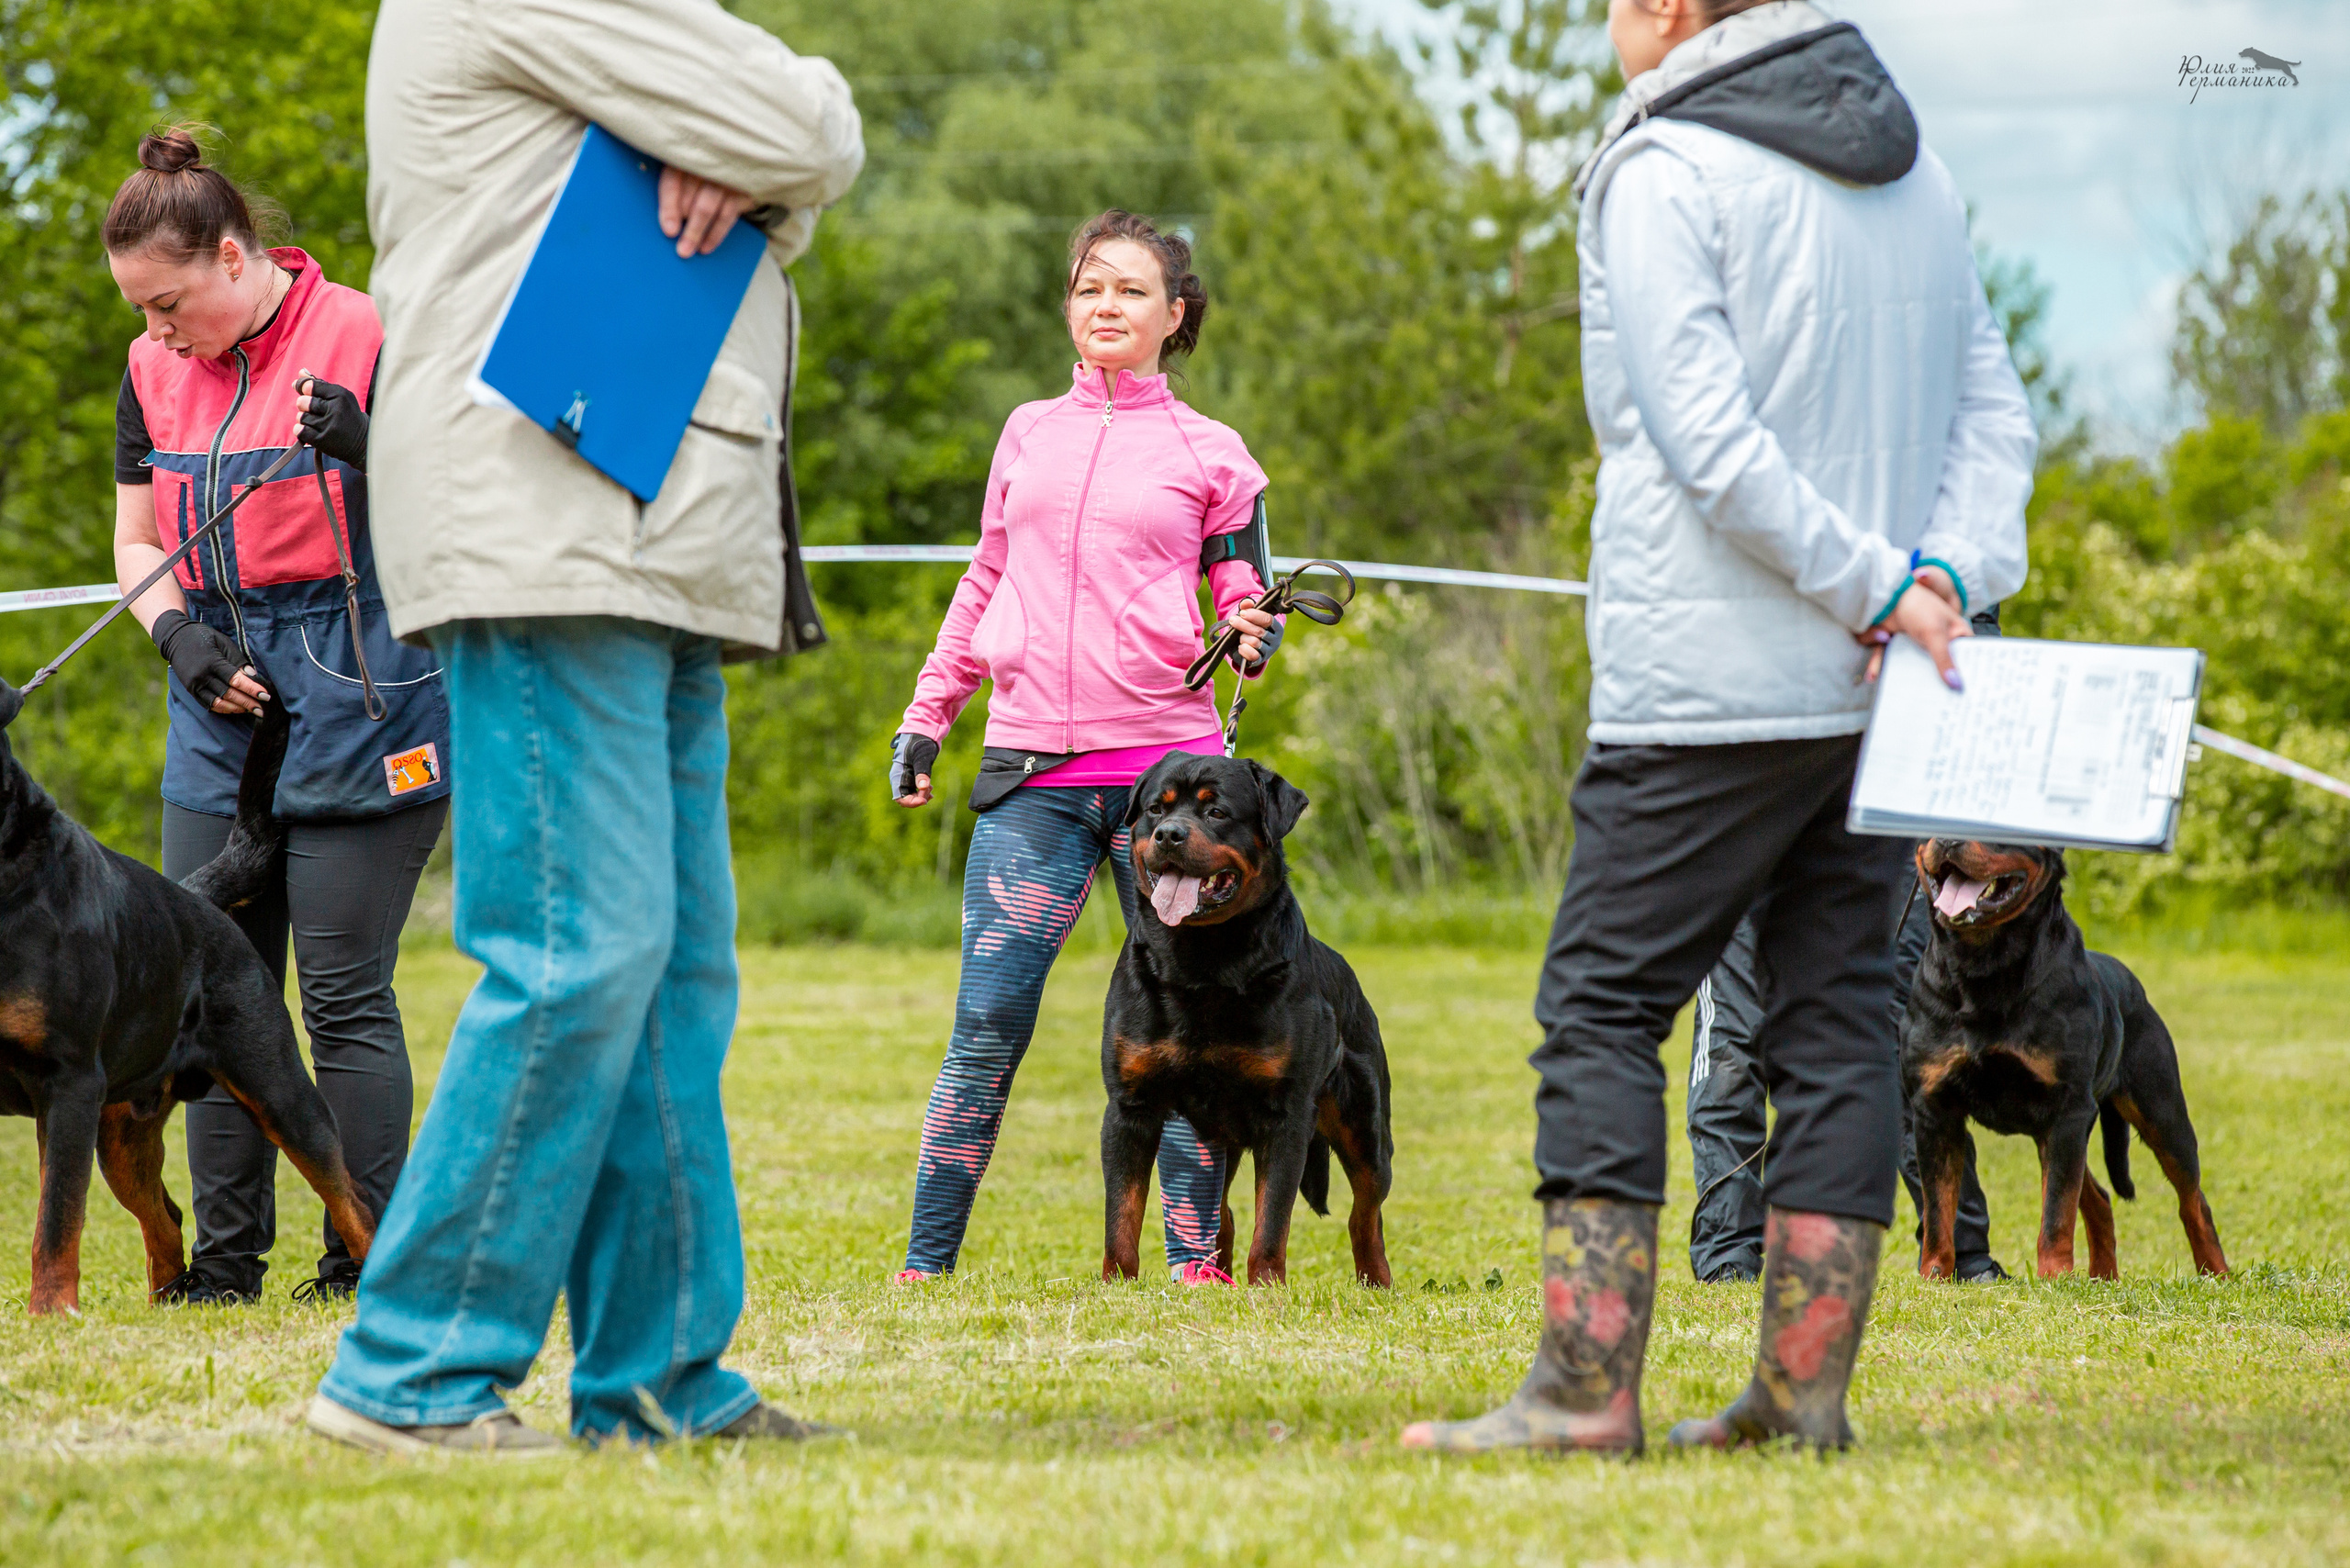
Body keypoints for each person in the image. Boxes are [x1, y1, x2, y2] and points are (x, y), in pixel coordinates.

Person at [1399, 0, 2032, 1455]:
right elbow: (1996, 415)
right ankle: (1801, 1405)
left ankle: (1582, 1395)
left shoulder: (1665, 163)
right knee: (1836, 1024)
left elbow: (1703, 438)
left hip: (1706, 681)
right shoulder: (1915, 166)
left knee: (1603, 1009)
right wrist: (1938, 577)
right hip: (1874, 686)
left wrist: (1883, 584)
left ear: (1676, 9)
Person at [307, 0, 862, 1458]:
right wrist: (762, 153)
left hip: (641, 515)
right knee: (578, 950)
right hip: (549, 511)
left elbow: (782, 158)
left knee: (671, 973)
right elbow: (806, 123)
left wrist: (755, 170)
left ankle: (660, 1380)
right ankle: (411, 1370)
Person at [889, 210, 1281, 1286]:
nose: (1105, 305)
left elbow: (1242, 591)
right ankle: (924, 1266)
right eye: (1088, 286)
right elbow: (985, 578)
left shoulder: (1214, 453)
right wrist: (928, 714)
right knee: (986, 1022)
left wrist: (1251, 631)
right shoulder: (1026, 432)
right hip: (1033, 776)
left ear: (1175, 314)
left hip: (1169, 789)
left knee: (1191, 1032)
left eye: (1130, 289)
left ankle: (1197, 1266)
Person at [105, 125, 452, 1307]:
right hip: (219, 702)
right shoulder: (150, 369)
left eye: (168, 303)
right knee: (202, 989)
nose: (157, 330)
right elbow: (136, 541)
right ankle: (223, 1266)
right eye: (139, 310)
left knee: (343, 994)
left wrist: (374, 446)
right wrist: (176, 635)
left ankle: (365, 1258)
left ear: (234, 257)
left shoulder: (367, 330)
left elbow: (471, 507)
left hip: (366, 693)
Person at [1685, 604, 2013, 1287]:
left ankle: (1961, 1252)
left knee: (1907, 1036)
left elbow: (1974, 629)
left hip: (1889, 804)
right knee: (1733, 1041)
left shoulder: (1937, 554)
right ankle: (1727, 1256)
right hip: (1744, 790)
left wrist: (1922, 632)